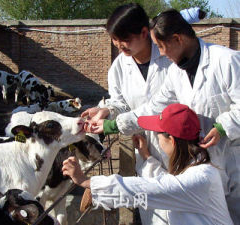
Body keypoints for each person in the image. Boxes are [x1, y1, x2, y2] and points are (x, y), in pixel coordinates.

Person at [85, 9, 240, 224]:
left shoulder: (227, 61)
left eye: (161, 46)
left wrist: (223, 126)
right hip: (188, 157)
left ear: (177, 39)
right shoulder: (177, 71)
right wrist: (113, 124)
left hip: (228, 161)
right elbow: (154, 107)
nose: (162, 54)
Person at [64, 104, 234, 225]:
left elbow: (147, 189)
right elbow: (165, 185)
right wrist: (146, 155)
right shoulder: (195, 170)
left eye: (158, 134)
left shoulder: (201, 178)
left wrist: (87, 182)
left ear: (172, 141)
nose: (156, 139)